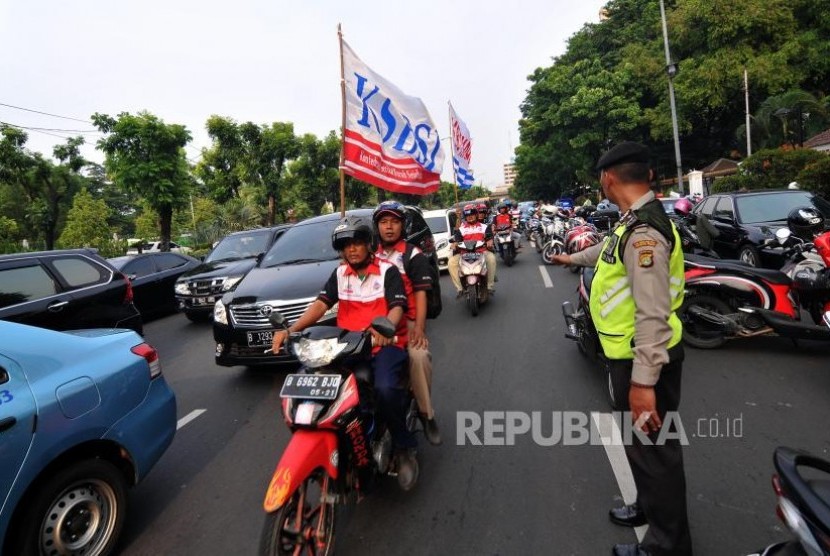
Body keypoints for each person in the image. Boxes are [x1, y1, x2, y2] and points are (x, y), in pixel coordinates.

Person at [551, 141, 692, 556]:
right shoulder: (632, 222)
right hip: (623, 354)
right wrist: (571, 260)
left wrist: (644, 383)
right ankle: (648, 508)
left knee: (655, 452)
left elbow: (652, 313)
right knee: (640, 445)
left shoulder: (644, 233)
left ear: (607, 179)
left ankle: (668, 546)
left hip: (642, 359)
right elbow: (608, 250)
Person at [270, 215, 419, 490]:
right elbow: (320, 305)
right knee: (309, 386)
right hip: (345, 347)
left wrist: (385, 328)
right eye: (346, 244)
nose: (352, 249)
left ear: (369, 244)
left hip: (383, 345)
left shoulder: (388, 271)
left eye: (358, 242)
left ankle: (403, 446)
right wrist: (291, 329)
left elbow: (397, 306)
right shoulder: (339, 274)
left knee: (386, 389)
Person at [372, 201, 442, 446]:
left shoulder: (412, 254)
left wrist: (419, 327)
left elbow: (421, 294)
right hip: (376, 325)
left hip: (409, 322)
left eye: (394, 222)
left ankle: (426, 414)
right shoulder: (371, 255)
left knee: (419, 357)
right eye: (383, 222)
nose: (389, 227)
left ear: (402, 225)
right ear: (377, 226)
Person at [448, 203, 496, 297]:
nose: (470, 217)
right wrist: (454, 244)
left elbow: (489, 237)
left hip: (481, 252)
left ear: (476, 214)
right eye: (467, 215)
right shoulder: (461, 229)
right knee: (451, 262)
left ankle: (489, 286)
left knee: (491, 259)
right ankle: (460, 289)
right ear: (465, 217)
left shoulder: (484, 227)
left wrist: (490, 242)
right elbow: (457, 240)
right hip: (464, 253)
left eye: (472, 214)